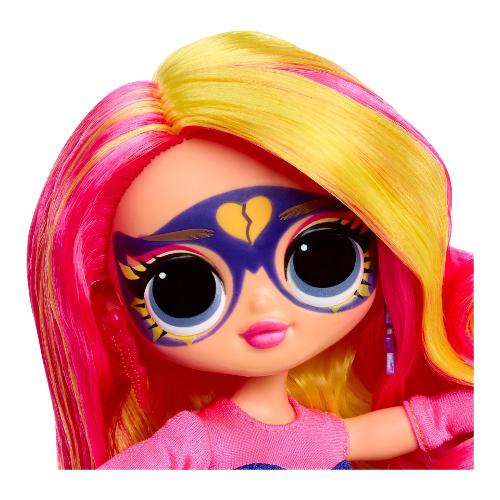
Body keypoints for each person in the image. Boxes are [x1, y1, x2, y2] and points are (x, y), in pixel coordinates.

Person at [27, 31, 473, 470]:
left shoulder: (323, 434)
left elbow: (425, 422)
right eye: (185, 289)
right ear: (115, 313)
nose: (261, 301)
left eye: (320, 257)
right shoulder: (197, 444)